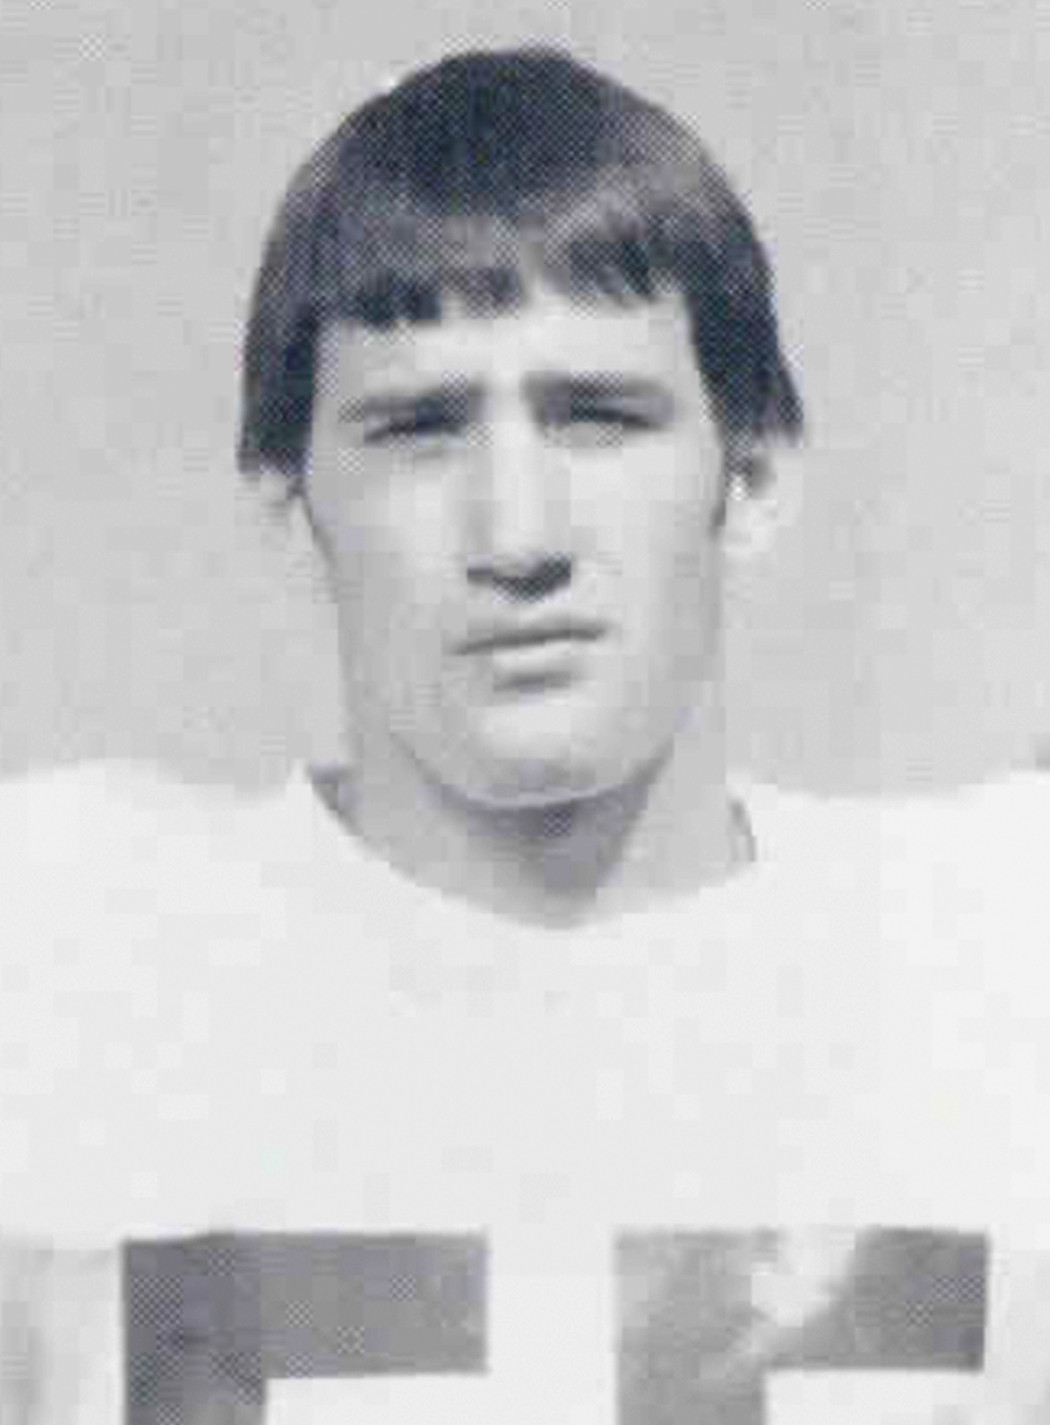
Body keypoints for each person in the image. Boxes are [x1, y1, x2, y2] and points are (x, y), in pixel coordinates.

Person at [2, 46, 1050, 1423]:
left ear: (750, 478)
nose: (519, 534)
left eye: (598, 418)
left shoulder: (991, 958)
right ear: (288, 505)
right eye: (418, 429)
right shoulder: (65, 952)